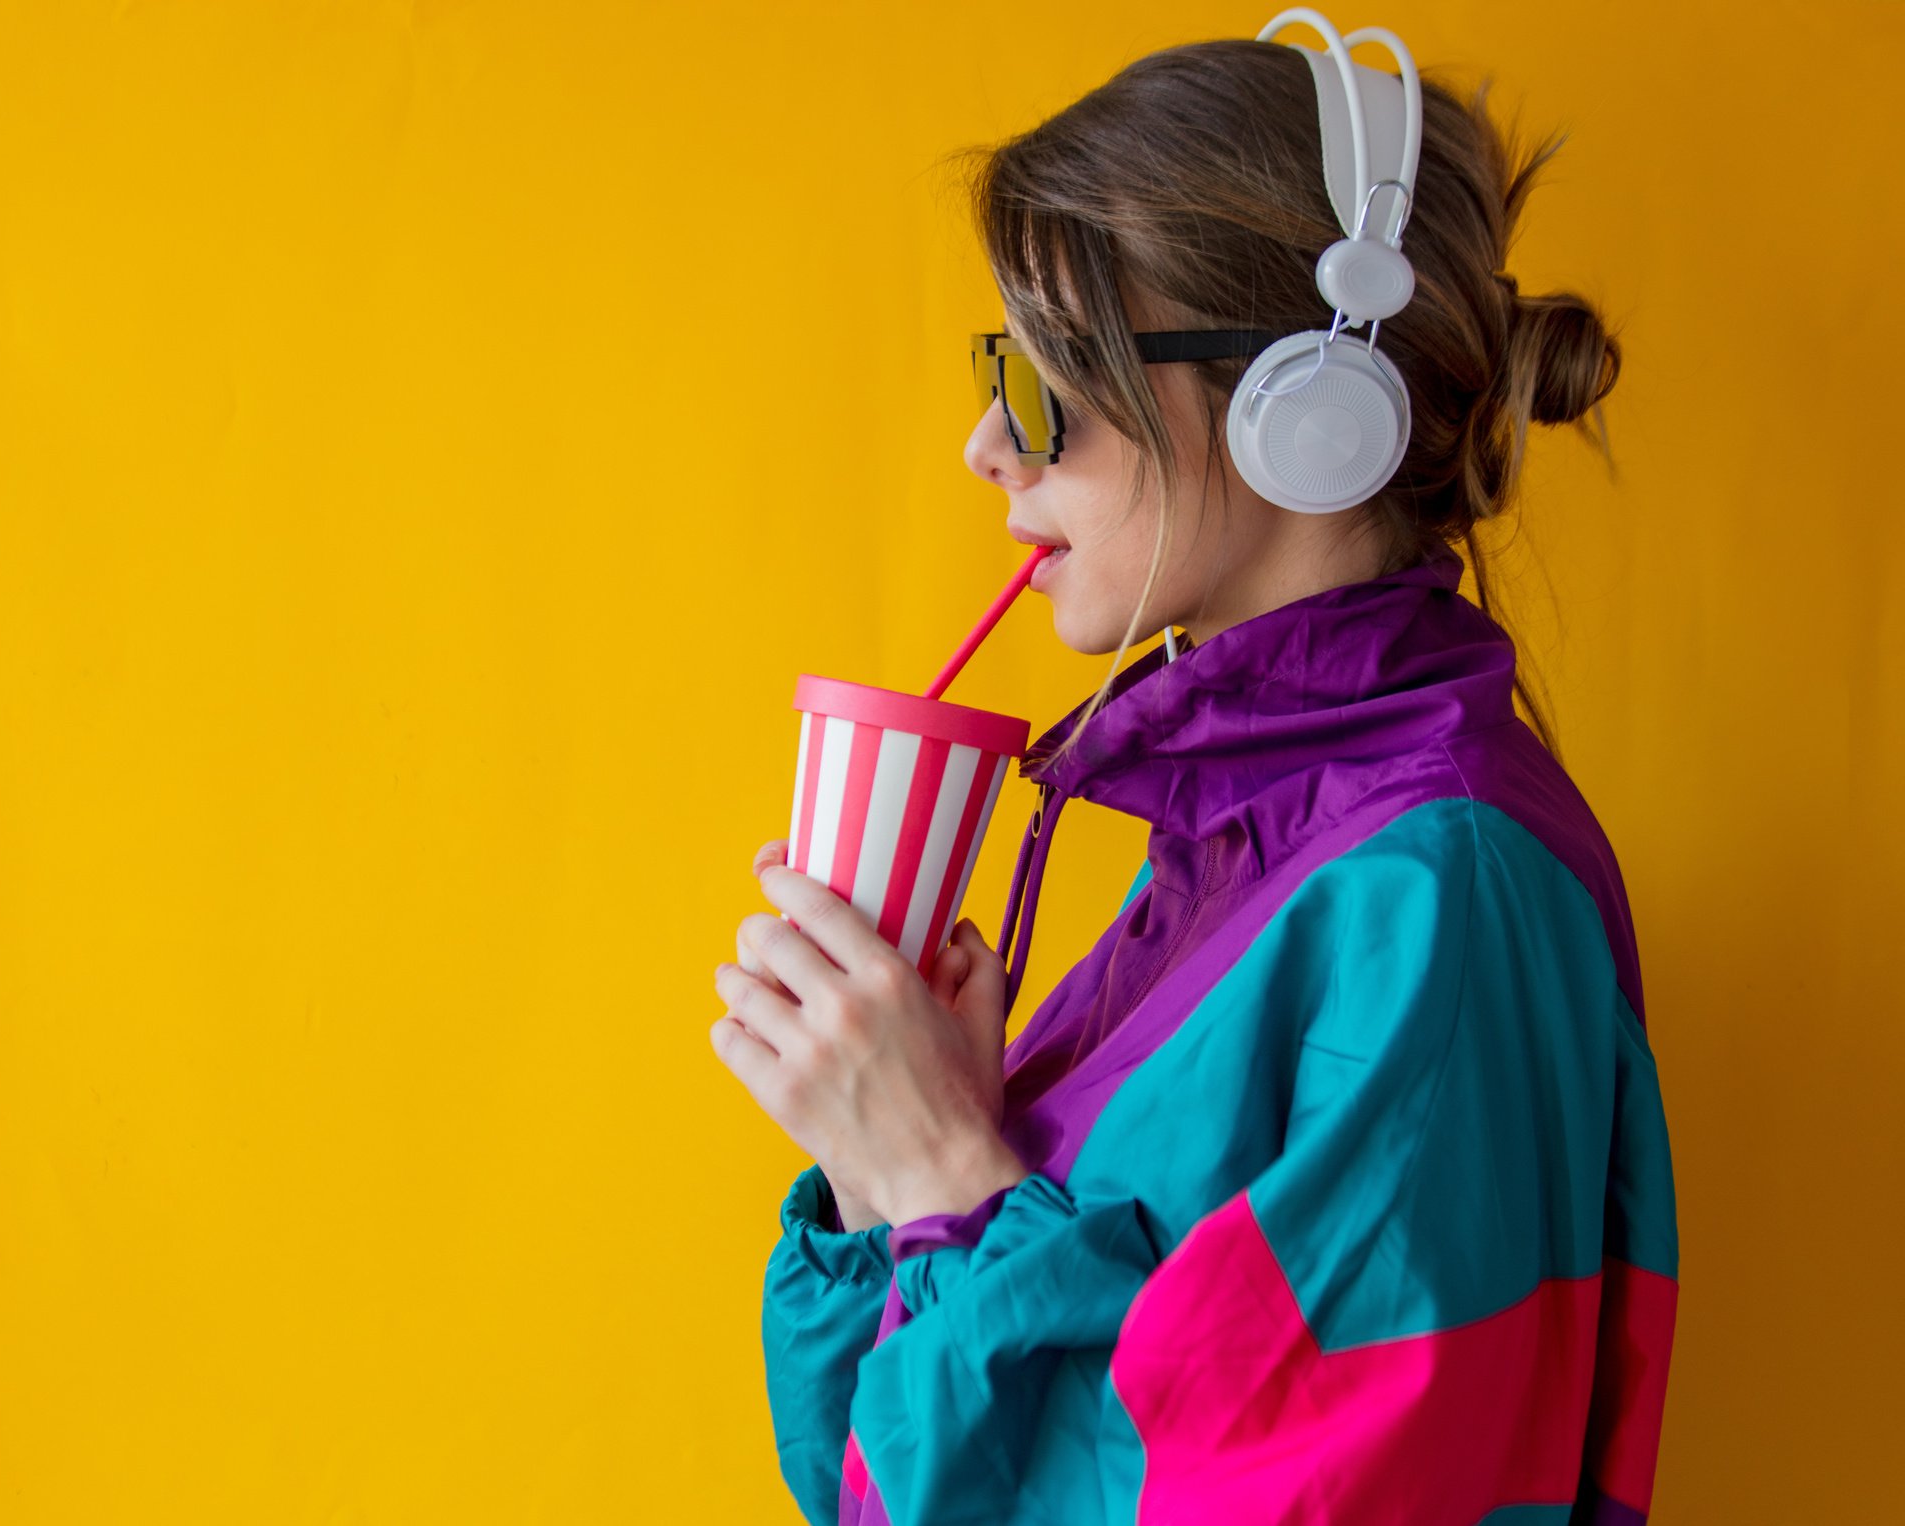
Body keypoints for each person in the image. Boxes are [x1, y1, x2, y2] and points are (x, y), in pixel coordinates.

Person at [709, 13, 1678, 1524]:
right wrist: (878, 1157)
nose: (984, 443)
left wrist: (944, 1181)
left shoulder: (1446, 901)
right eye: (999, 365)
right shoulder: (1238, 848)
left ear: (1306, 413)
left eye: (1051, 377)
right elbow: (886, 1484)